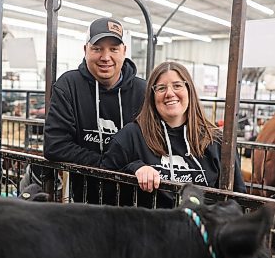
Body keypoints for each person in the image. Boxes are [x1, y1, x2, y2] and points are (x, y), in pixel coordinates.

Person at [101, 61, 245, 208]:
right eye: (161, 88)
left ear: (189, 90)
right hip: (147, 228)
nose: (170, 93)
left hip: (200, 229)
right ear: (152, 95)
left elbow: (237, 199)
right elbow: (105, 189)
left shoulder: (217, 141)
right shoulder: (130, 137)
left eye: (177, 85)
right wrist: (133, 169)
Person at [43, 17, 146, 203]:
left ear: (124, 52)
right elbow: (55, 145)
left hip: (137, 200)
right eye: (97, 49)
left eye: (113, 49)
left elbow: (154, 145)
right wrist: (107, 165)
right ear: (85, 50)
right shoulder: (68, 86)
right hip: (86, 199)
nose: (105, 57)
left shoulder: (143, 91)